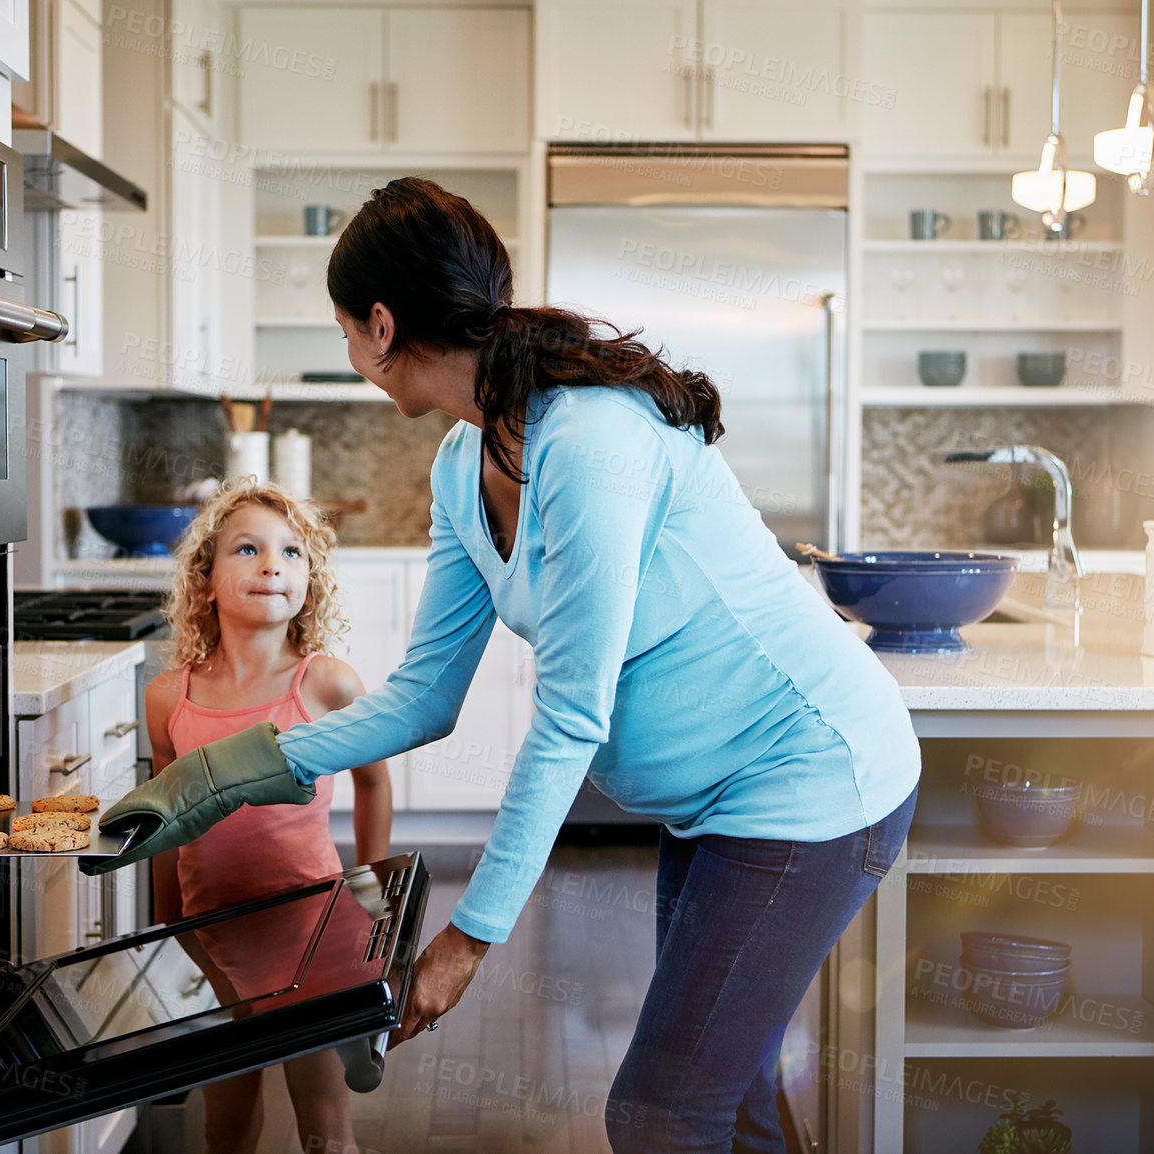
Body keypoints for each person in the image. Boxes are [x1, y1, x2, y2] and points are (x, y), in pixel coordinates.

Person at [93, 177, 920, 1154]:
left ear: (382, 323)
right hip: (716, 804)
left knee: (661, 1112)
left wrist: (467, 938)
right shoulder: (460, 461)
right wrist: (214, 774)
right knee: (721, 1098)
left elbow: (573, 714)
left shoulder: (592, 438)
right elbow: (422, 697)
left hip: (816, 779)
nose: (350, 354)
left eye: (345, 329)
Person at [144, 480, 392, 1154]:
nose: (271, 565)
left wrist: (371, 888)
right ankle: (357, 1034)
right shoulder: (170, 698)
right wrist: (169, 919)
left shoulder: (327, 684)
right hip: (212, 925)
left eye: (290, 553)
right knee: (226, 1119)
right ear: (205, 583)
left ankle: (355, 1033)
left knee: (324, 1126)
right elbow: (167, 816)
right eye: (247, 549)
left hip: (308, 922)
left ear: (309, 584)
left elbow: (373, 783)